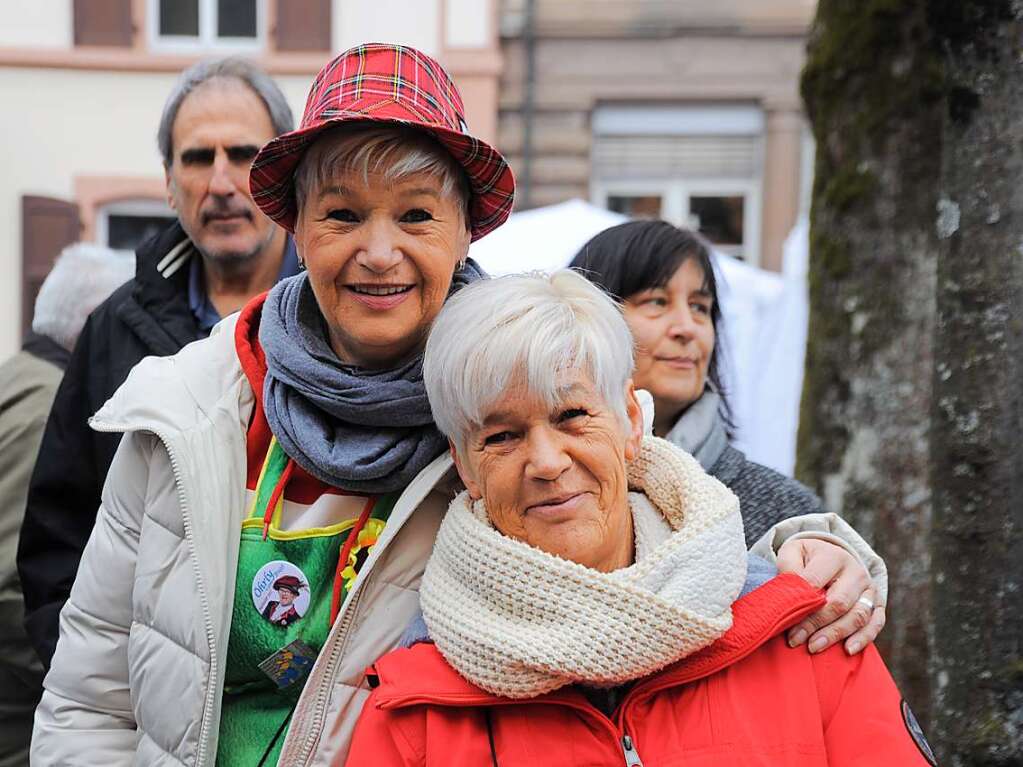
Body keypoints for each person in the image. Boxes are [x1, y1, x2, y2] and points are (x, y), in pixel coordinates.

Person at [34, 44, 883, 766]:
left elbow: (660, 494)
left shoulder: (510, 394)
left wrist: (809, 541)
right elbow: (87, 700)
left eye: (414, 214)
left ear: (464, 231)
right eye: (340, 214)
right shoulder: (187, 407)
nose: (378, 251)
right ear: (296, 224)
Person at [345, 270, 935, 766]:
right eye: (502, 436)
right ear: (465, 467)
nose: (547, 462)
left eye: (573, 415)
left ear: (631, 419)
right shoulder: (414, 704)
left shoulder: (803, 631)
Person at [18, 57, 299, 667]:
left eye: (245, 154)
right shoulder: (112, 330)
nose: (222, 182)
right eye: (198, 158)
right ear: (170, 183)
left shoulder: (345, 317)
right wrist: (93, 693)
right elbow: (58, 538)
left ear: (283, 176)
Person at [569, 220, 886, 656]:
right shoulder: (547, 488)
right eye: (657, 302)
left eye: (701, 307)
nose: (687, 328)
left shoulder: (785, 512)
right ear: (589, 321)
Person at [0, 244, 132, 767]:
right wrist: (85, 686)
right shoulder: (46, 406)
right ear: (88, 325)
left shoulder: (18, 375)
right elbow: (14, 583)